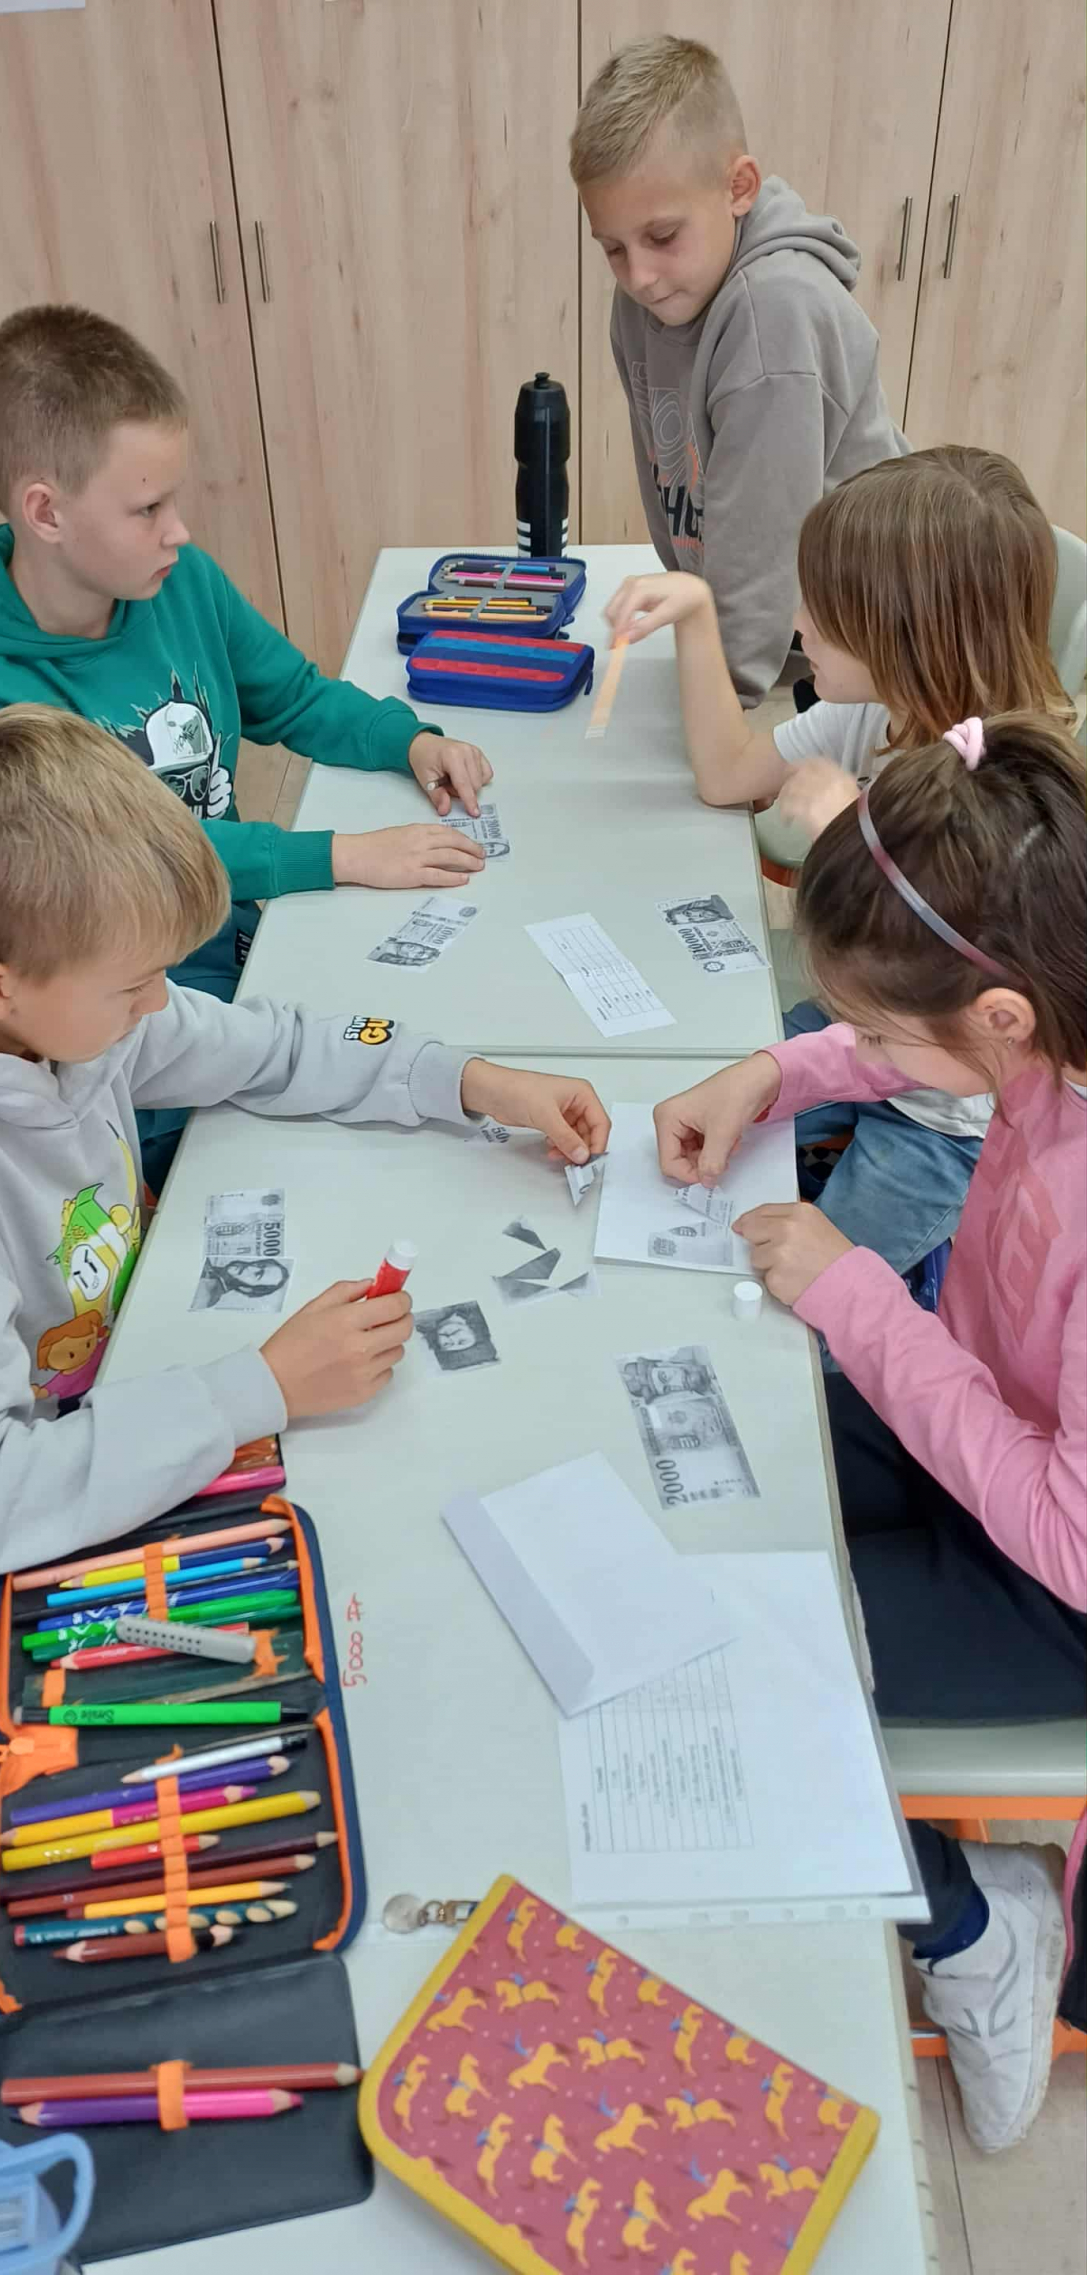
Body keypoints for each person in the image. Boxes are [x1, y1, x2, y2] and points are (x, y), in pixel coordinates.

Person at [0, 706, 609, 1642]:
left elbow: (270, 1046)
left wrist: (468, 1080)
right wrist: (263, 1384)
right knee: (353, 1587)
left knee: (370, 1487)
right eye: (133, 986)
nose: (160, 1004)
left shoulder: (38, 994)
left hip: (91, 1400)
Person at [652, 714, 1087, 2153]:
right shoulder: (1044, 1018)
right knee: (706, 1494)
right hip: (982, 1427)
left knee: (712, 1675)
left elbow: (1067, 1537)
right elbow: (901, 1039)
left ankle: (974, 1922)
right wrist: (771, 1074)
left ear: (1002, 1018)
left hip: (1058, 1583)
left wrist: (854, 1297)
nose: (878, 1050)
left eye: (895, 1032)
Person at [0, 305, 496, 1183]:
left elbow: (292, 695)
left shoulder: (173, 579)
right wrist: (340, 855)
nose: (177, 529)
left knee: (406, 1054)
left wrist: (405, 741)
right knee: (291, 1171)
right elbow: (123, 866)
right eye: (147, 507)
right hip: (127, 1008)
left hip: (236, 944)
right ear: (46, 512)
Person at [606, 447, 1075, 1279]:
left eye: (822, 606)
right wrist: (697, 615)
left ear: (905, 633)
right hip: (867, 1034)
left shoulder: (1015, 802)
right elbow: (726, 775)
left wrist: (852, 838)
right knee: (687, 1096)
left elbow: (947, 993)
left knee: (805, 1304)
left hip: (948, 1120)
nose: (798, 624)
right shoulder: (880, 712)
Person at [571, 32, 906, 704]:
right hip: (786, 642)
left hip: (875, 649)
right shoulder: (641, 302)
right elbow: (672, 482)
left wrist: (722, 691)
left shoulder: (773, 313)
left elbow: (762, 546)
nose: (639, 275)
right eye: (613, 248)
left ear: (738, 188)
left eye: (662, 236)